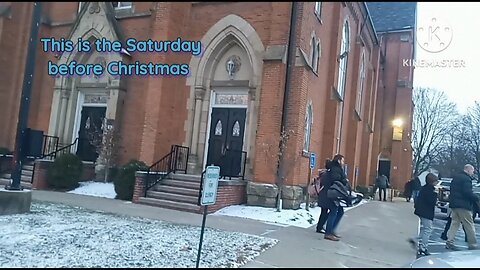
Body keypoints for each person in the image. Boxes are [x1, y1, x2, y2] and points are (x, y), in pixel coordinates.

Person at [445, 164, 480, 251]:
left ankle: (450, 242)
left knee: (454, 224)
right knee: (469, 224)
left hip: (454, 204)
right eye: (472, 171)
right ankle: (472, 244)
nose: (473, 173)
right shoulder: (466, 179)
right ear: (468, 170)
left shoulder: (456, 177)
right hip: (463, 205)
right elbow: (467, 192)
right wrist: (476, 197)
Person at [318, 154, 350, 241]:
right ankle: (328, 232)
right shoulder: (336, 168)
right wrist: (344, 180)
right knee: (334, 211)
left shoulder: (334, 167)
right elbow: (336, 179)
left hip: (331, 193)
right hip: (333, 193)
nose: (343, 162)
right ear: (339, 160)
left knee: (339, 211)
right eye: (342, 160)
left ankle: (330, 230)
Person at [413, 173, 439, 256]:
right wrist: (436, 195)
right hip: (426, 212)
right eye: (436, 181)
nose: (437, 182)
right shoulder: (430, 190)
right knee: (428, 229)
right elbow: (431, 202)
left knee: (425, 229)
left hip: (422, 211)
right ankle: (423, 247)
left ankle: (414, 239)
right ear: (432, 181)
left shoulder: (424, 188)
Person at [315, 164, 330, 234]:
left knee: (324, 212)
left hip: (322, 195)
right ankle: (319, 227)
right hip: (325, 196)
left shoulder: (323, 174)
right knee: (325, 212)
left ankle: (320, 226)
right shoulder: (327, 175)